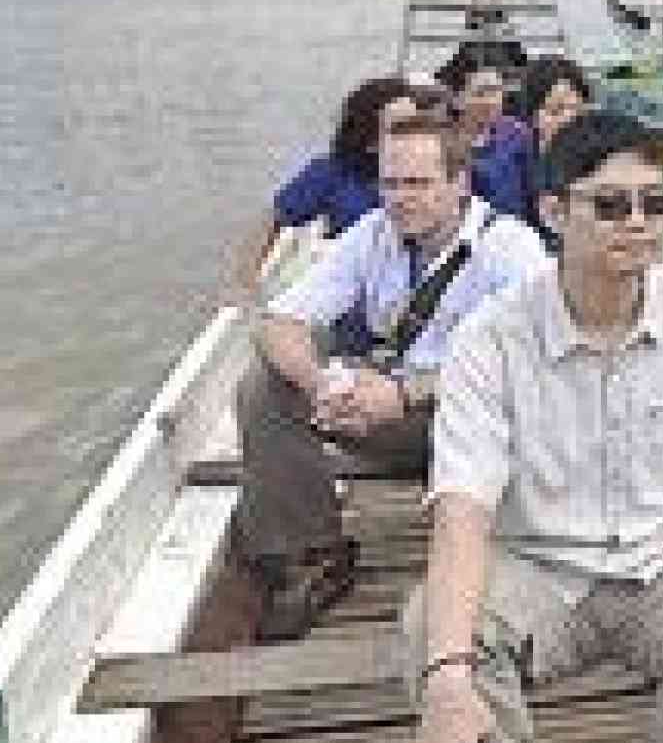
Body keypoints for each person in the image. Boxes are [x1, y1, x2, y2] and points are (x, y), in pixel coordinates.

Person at [409, 110, 663, 743]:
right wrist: (446, 671)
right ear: (552, 213)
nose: (638, 222)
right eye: (610, 205)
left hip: (653, 561)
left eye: (655, 202)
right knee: (430, 636)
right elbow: (462, 511)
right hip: (532, 569)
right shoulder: (491, 342)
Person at [235, 117, 549, 641]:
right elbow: (280, 322)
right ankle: (313, 551)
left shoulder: (511, 250)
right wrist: (322, 386)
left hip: (482, 425)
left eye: (419, 184)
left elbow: (531, 358)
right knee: (264, 386)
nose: (401, 199)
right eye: (390, 184)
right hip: (394, 413)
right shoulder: (372, 234)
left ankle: (516, 552)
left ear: (459, 182)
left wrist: (405, 394)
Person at [235, 76, 423, 292]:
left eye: (417, 125)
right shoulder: (333, 172)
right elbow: (271, 220)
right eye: (401, 129)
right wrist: (246, 283)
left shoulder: (441, 171)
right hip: (352, 284)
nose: (414, 136)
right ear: (370, 137)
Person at [513, 55, 593, 249]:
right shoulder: (511, 167)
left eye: (576, 110)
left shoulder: (602, 163)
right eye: (555, 111)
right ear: (532, 116)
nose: (568, 120)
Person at [459, 65, 536, 225]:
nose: (489, 101)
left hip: (511, 227)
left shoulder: (519, 135)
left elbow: (531, 189)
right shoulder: (448, 139)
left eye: (495, 92)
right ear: (460, 98)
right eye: (480, 93)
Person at [437, 0, 530, 91]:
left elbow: (522, 74)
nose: (479, 19)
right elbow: (447, 75)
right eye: (476, 14)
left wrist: (500, 80)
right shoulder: (468, 45)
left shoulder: (511, 44)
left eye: (484, 15)